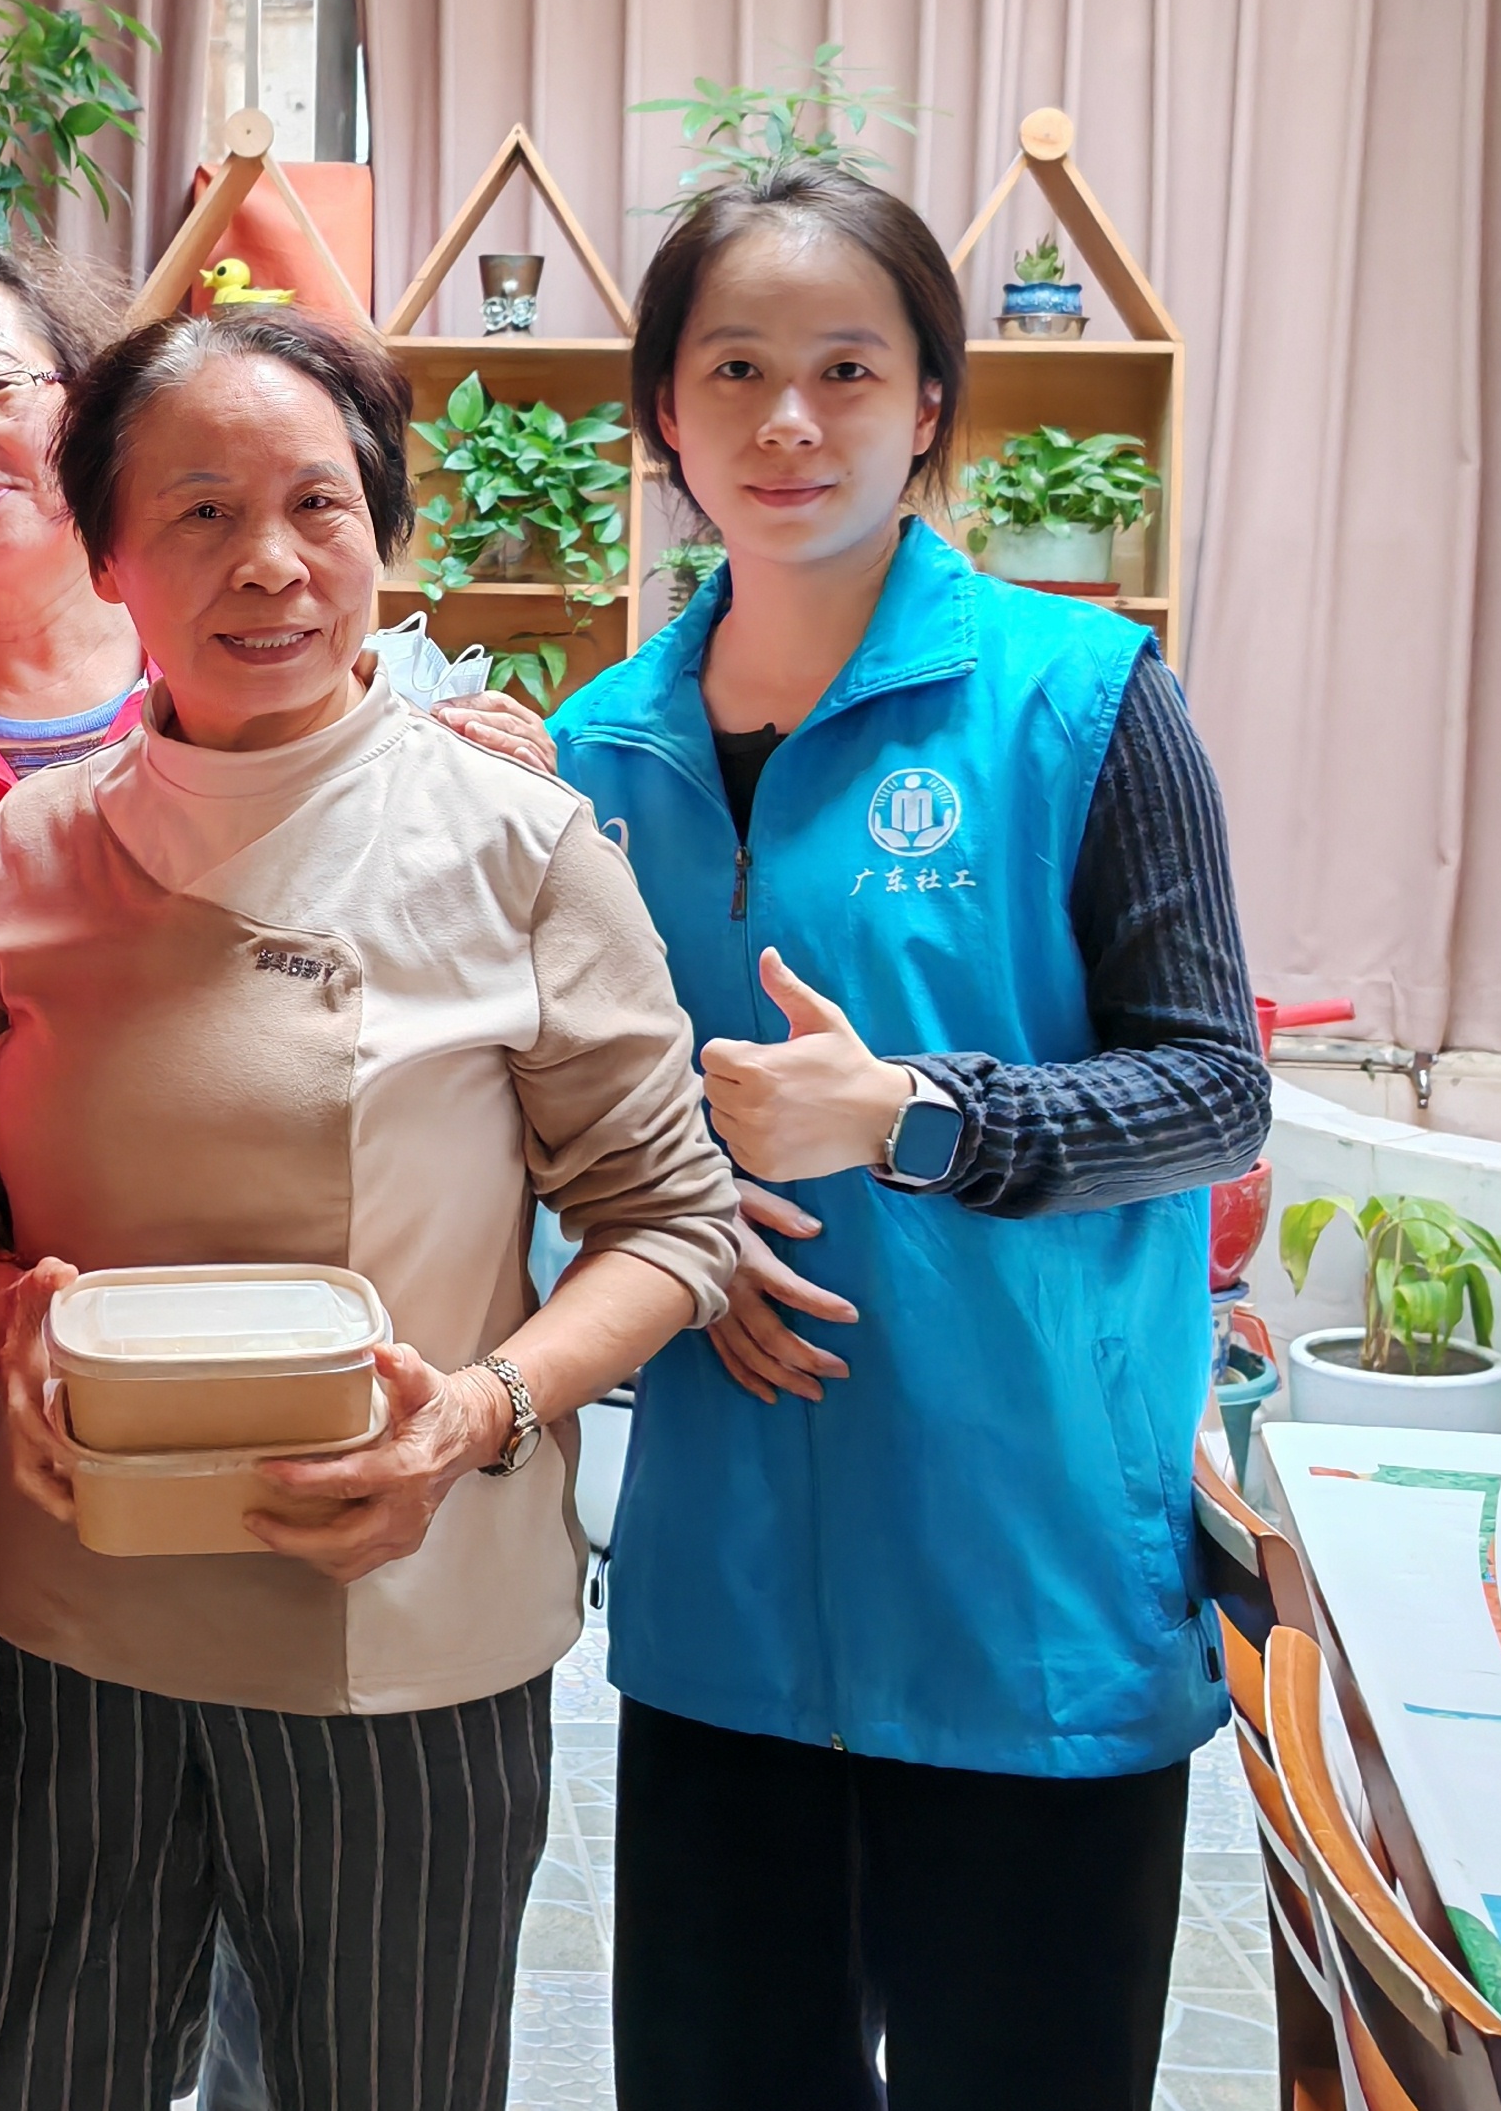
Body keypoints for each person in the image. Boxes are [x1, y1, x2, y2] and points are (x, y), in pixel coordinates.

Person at [0, 307, 745, 2110]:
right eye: (198, 512)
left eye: (318, 504)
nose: (269, 563)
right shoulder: (33, 849)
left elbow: (674, 1223)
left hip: (406, 1632)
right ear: (107, 556)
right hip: (74, 1622)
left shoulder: (520, 846)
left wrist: (476, 1413)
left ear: (383, 531)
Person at [0, 244, 580, 2109]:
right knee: (41, 1932)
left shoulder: (304, 645)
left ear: (84, 415)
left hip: (338, 1439)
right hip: (17, 1437)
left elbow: (548, 1072)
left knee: (321, 1983)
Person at [550, 165, 1273, 2111]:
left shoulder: (1083, 698)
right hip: (719, 1608)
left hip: (1024, 1588)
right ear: (664, 408)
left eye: (847, 369)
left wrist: (912, 1116)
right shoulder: (592, 754)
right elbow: (558, 1126)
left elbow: (1213, 1085)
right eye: (735, 370)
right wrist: (668, 1238)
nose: (788, 422)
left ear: (930, 400)